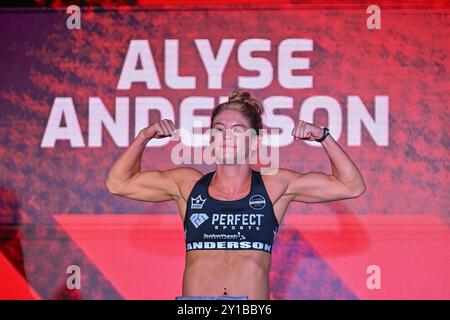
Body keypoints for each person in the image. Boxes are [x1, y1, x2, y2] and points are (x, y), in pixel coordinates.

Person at [105, 90, 366, 300]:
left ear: (255, 141)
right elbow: (118, 183)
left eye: (238, 130)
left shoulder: (275, 186)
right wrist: (144, 137)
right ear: (210, 139)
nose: (227, 136)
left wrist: (324, 137)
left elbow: (351, 186)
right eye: (219, 129)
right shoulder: (187, 185)